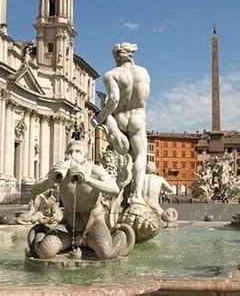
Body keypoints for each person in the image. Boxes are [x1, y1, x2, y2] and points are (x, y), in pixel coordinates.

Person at [29, 141, 132, 260]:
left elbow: (114, 189)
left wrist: (87, 179)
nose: (73, 155)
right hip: (68, 225)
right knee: (44, 252)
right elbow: (34, 190)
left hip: (93, 224)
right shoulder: (60, 170)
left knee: (106, 254)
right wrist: (51, 179)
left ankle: (121, 235)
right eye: (70, 152)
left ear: (85, 157)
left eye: (78, 152)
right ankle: (41, 233)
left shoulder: (94, 170)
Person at [91, 42, 150, 207]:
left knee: (117, 158)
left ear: (117, 56)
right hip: (138, 118)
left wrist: (98, 118)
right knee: (140, 156)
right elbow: (144, 96)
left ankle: (113, 196)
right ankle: (137, 196)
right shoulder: (144, 73)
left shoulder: (111, 74)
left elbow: (114, 100)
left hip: (120, 119)